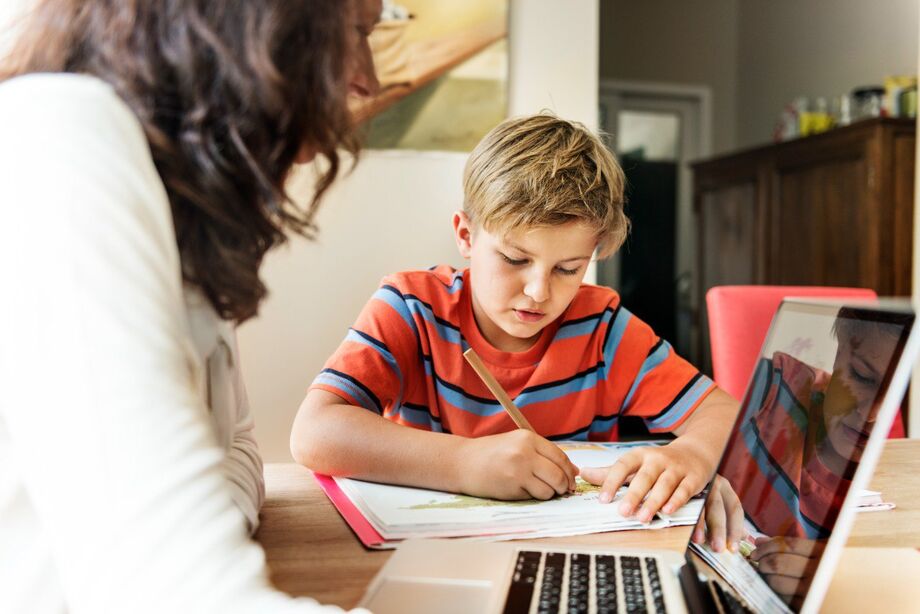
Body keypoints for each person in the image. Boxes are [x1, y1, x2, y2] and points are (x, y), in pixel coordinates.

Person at [0, 0, 381, 612]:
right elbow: (167, 592)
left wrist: (200, 531)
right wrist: (193, 544)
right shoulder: (62, 138)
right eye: (358, 30)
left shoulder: (186, 220)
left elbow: (241, 450)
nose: (369, 80)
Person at [291, 114, 739, 523]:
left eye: (568, 269)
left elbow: (725, 413)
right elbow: (314, 432)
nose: (539, 292)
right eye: (514, 259)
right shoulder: (412, 308)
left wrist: (693, 454)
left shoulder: (602, 329)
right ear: (466, 235)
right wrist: (465, 464)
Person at [693, 307, 908, 607]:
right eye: (861, 376)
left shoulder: (901, 488)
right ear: (838, 352)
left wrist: (849, 574)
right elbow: (692, 438)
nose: (872, 414)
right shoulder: (772, 390)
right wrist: (703, 467)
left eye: (900, 391)